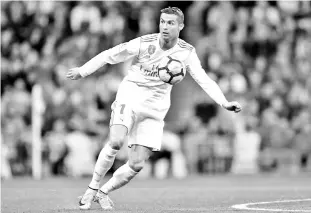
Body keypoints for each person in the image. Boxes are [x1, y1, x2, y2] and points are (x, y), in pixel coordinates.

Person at [66, 6, 242, 210]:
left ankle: (103, 192)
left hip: (155, 109)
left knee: (137, 164)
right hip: (131, 96)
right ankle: (91, 190)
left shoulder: (186, 52)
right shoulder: (143, 43)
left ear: (181, 26)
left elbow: (204, 80)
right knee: (115, 141)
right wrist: (83, 71)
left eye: (170, 23)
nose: (165, 27)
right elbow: (110, 55)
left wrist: (224, 102)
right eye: (163, 22)